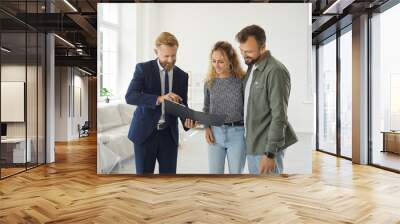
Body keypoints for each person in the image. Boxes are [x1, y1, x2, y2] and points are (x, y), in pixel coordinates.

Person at [125, 32, 197, 175]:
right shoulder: (143, 69)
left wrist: (187, 121)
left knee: (169, 180)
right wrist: (159, 98)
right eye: (166, 56)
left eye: (174, 56)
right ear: (156, 52)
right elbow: (130, 96)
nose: (170, 60)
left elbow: (183, 105)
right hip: (144, 134)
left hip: (168, 136)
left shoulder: (182, 76)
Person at [235, 25, 298, 175]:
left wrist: (270, 153)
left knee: (269, 193)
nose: (245, 55)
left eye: (249, 51)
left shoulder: (275, 71)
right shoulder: (252, 67)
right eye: (242, 51)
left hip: (265, 149)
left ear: (262, 47)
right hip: (252, 144)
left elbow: (279, 115)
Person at [203, 41, 246, 174]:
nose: (217, 65)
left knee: (236, 176)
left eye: (221, 61)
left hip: (237, 133)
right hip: (215, 134)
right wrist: (207, 128)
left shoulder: (241, 80)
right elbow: (206, 107)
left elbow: (248, 107)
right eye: (214, 61)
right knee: (215, 177)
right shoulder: (209, 82)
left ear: (230, 60)